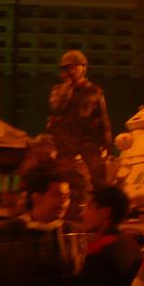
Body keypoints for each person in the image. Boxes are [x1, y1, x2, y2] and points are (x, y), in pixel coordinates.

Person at [45, 50, 112, 206]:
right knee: (69, 176)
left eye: (75, 67)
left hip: (88, 138)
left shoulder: (94, 90)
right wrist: (67, 87)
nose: (72, 70)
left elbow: (103, 117)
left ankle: (100, 205)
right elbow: (56, 107)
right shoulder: (58, 90)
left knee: (99, 174)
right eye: (68, 68)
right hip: (65, 140)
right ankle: (75, 207)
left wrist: (107, 143)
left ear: (83, 68)